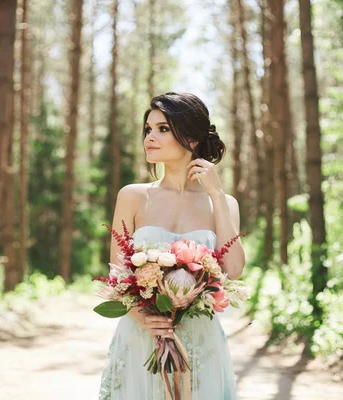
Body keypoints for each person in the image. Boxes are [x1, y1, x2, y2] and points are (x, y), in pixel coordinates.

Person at [98, 92, 245, 399]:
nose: (150, 137)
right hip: (143, 336)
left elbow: (233, 269)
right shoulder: (133, 196)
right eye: (148, 129)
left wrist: (216, 194)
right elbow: (117, 274)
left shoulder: (223, 203)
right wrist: (145, 319)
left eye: (162, 129)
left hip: (200, 340)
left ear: (191, 137)